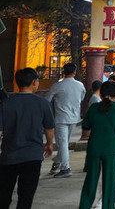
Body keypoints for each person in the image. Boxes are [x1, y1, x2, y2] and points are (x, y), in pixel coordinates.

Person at [0, 68, 55, 209]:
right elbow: (49, 127)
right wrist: (49, 144)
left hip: (9, 157)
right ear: (34, 83)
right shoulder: (43, 103)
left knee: (3, 196)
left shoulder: (6, 104)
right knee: (26, 197)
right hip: (32, 157)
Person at [78, 81, 115, 209]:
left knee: (90, 181)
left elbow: (85, 126)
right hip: (112, 149)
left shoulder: (93, 108)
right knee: (109, 183)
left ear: (101, 94)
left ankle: (84, 206)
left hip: (94, 148)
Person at [45, 62, 85, 179]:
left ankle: (65, 168)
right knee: (64, 143)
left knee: (63, 144)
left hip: (61, 118)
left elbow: (47, 100)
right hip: (74, 117)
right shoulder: (80, 85)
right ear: (74, 72)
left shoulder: (57, 86)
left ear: (64, 72)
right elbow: (82, 98)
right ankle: (57, 162)